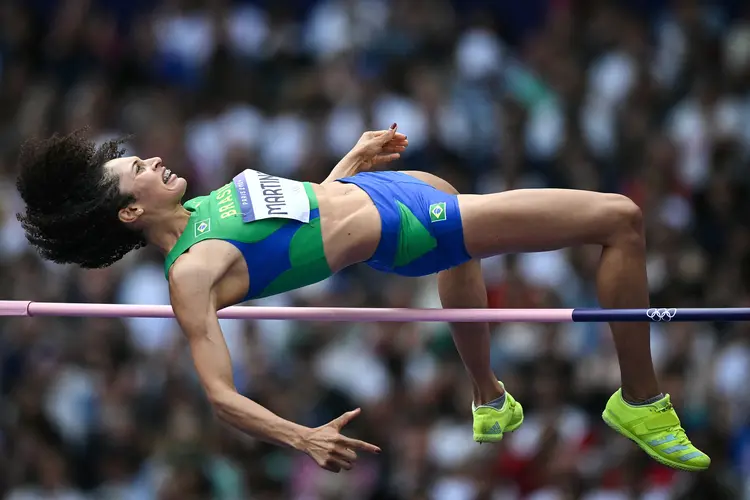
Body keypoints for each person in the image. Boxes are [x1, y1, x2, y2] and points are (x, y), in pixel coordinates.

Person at [15, 126, 709, 473]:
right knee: (620, 219)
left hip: (386, 195)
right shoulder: (191, 270)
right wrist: (300, 435)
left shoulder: (202, 207)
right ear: (131, 213)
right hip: (407, 230)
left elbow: (303, 222)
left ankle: (489, 398)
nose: (151, 161)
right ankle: (640, 402)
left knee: (472, 255)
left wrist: (347, 162)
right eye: (137, 170)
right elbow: (220, 395)